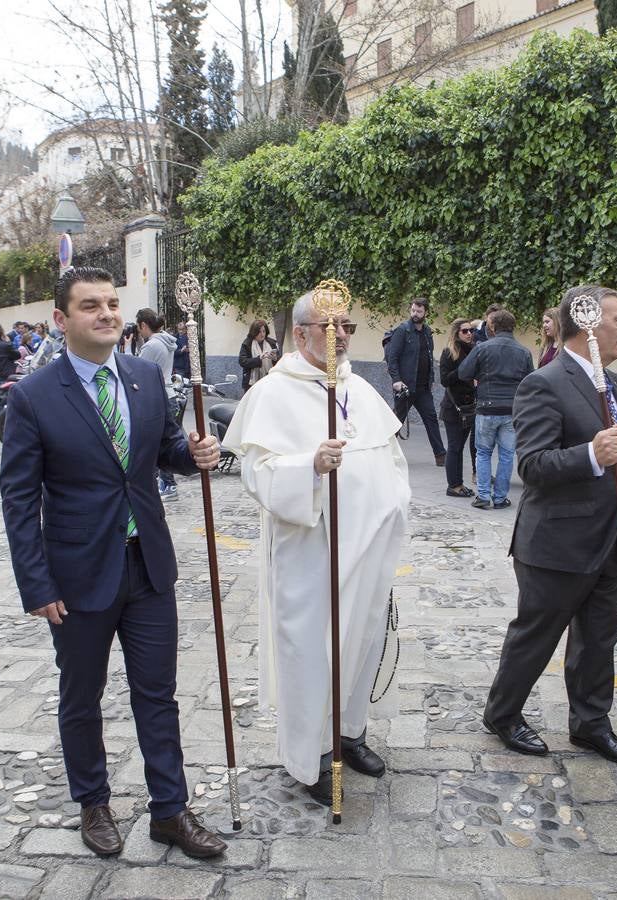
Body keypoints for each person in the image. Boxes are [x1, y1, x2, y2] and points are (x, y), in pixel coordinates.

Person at [0, 266, 227, 860]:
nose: (105, 314)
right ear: (61, 319)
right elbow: (19, 500)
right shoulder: (33, 396)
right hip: (76, 575)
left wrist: (193, 453)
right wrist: (35, 582)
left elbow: (163, 451)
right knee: (82, 696)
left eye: (111, 304)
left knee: (159, 694)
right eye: (89, 305)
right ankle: (93, 802)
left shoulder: (146, 378)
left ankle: (169, 811)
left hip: (147, 565)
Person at [223, 291, 411, 804]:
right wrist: (308, 465)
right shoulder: (273, 393)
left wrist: (395, 505)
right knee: (312, 651)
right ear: (301, 332)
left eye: (346, 325)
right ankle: (310, 759)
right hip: (311, 554)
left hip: (368, 550)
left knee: (363, 640)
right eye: (329, 327)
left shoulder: (358, 387)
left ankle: (349, 734)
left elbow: (391, 456)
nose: (342, 335)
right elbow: (257, 472)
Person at [483, 285, 617, 764]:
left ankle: (591, 723)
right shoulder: (544, 383)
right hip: (557, 539)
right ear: (590, 324)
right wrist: (590, 455)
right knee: (537, 634)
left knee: (598, 637)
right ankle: (503, 713)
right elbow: (531, 465)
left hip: (611, 537)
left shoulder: (612, 384)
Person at [458, 309, 534, 510]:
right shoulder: (524, 352)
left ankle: (483, 496)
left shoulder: (483, 348)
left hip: (486, 408)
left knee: (483, 453)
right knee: (507, 454)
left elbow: (463, 372)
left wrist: (480, 375)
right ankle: (500, 498)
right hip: (511, 410)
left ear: (492, 327)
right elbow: (530, 381)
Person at [385, 297, 446, 467]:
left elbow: (428, 356)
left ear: (426, 313)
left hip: (422, 388)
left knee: (431, 418)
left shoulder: (427, 332)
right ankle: (384, 452)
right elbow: (393, 358)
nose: (415, 314)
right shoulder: (402, 331)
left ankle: (440, 455)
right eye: (413, 310)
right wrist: (396, 380)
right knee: (396, 421)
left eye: (419, 311)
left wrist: (431, 379)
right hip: (405, 386)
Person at [136, 308, 181, 500]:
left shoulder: (152, 346)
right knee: (164, 441)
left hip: (157, 396)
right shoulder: (166, 341)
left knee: (156, 442)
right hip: (169, 393)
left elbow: (136, 372)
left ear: (144, 325)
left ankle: (168, 484)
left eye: (139, 328)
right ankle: (164, 482)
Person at [438, 318, 478, 497]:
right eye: (465, 331)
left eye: (471, 330)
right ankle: (453, 485)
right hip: (453, 408)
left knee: (460, 447)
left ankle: (459, 483)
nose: (469, 334)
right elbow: (444, 380)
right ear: (456, 333)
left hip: (469, 406)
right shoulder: (449, 352)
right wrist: (463, 369)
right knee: (454, 446)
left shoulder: (474, 349)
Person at [237, 319, 278, 392]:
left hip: (269, 380)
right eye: (259, 332)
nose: (262, 334)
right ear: (254, 332)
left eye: (264, 331)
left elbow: (278, 360)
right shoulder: (247, 344)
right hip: (251, 382)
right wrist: (259, 359)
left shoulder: (271, 343)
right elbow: (242, 361)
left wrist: (274, 358)